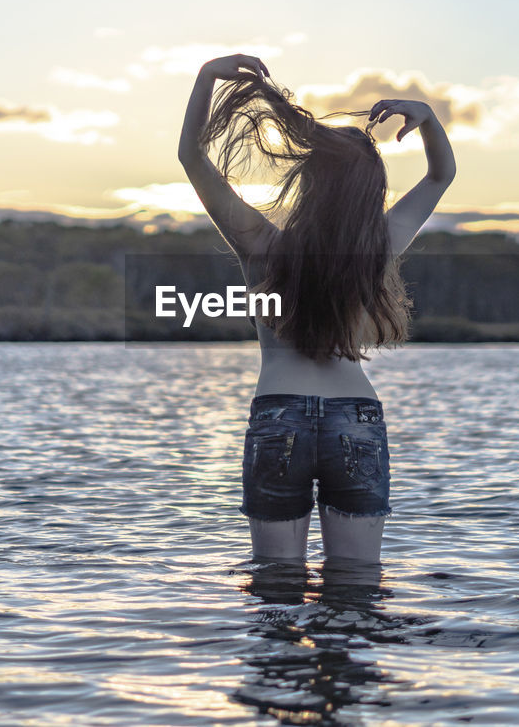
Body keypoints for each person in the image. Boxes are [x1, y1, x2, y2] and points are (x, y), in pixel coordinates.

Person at [177, 53, 456, 562]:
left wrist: (205, 78)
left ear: (309, 180)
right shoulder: (377, 246)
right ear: (370, 190)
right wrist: (430, 120)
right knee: (356, 586)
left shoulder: (260, 244)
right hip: (356, 415)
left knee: (275, 586)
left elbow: (192, 158)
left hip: (279, 412)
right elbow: (441, 176)